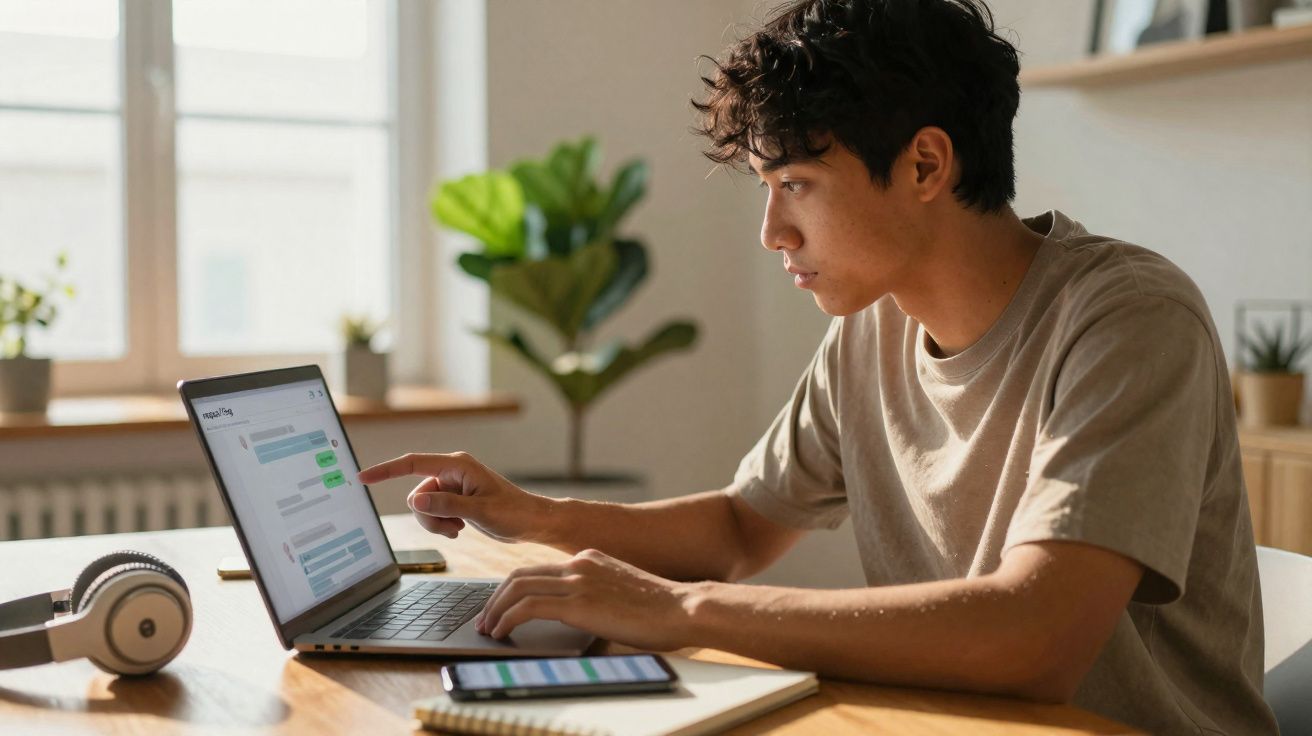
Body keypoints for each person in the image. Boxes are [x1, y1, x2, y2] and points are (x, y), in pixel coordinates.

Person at [359, 1, 1276, 733]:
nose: (772, 234)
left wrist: (681, 612)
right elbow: (737, 528)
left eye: (795, 185)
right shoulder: (868, 329)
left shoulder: (1127, 318)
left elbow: (1033, 638)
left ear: (925, 164)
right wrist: (536, 516)